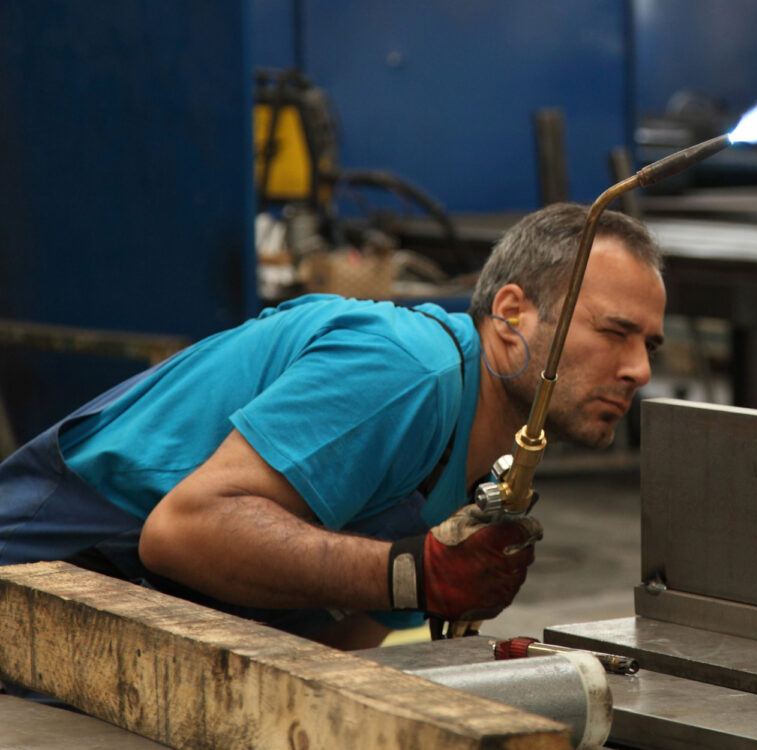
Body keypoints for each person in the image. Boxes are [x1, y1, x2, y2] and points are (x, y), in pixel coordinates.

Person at [0, 202, 666, 650]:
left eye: (650, 346)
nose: (638, 369)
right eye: (615, 332)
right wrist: (410, 574)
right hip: (37, 584)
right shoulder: (407, 370)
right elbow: (183, 532)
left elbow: (342, 646)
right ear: (512, 314)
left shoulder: (488, 465)